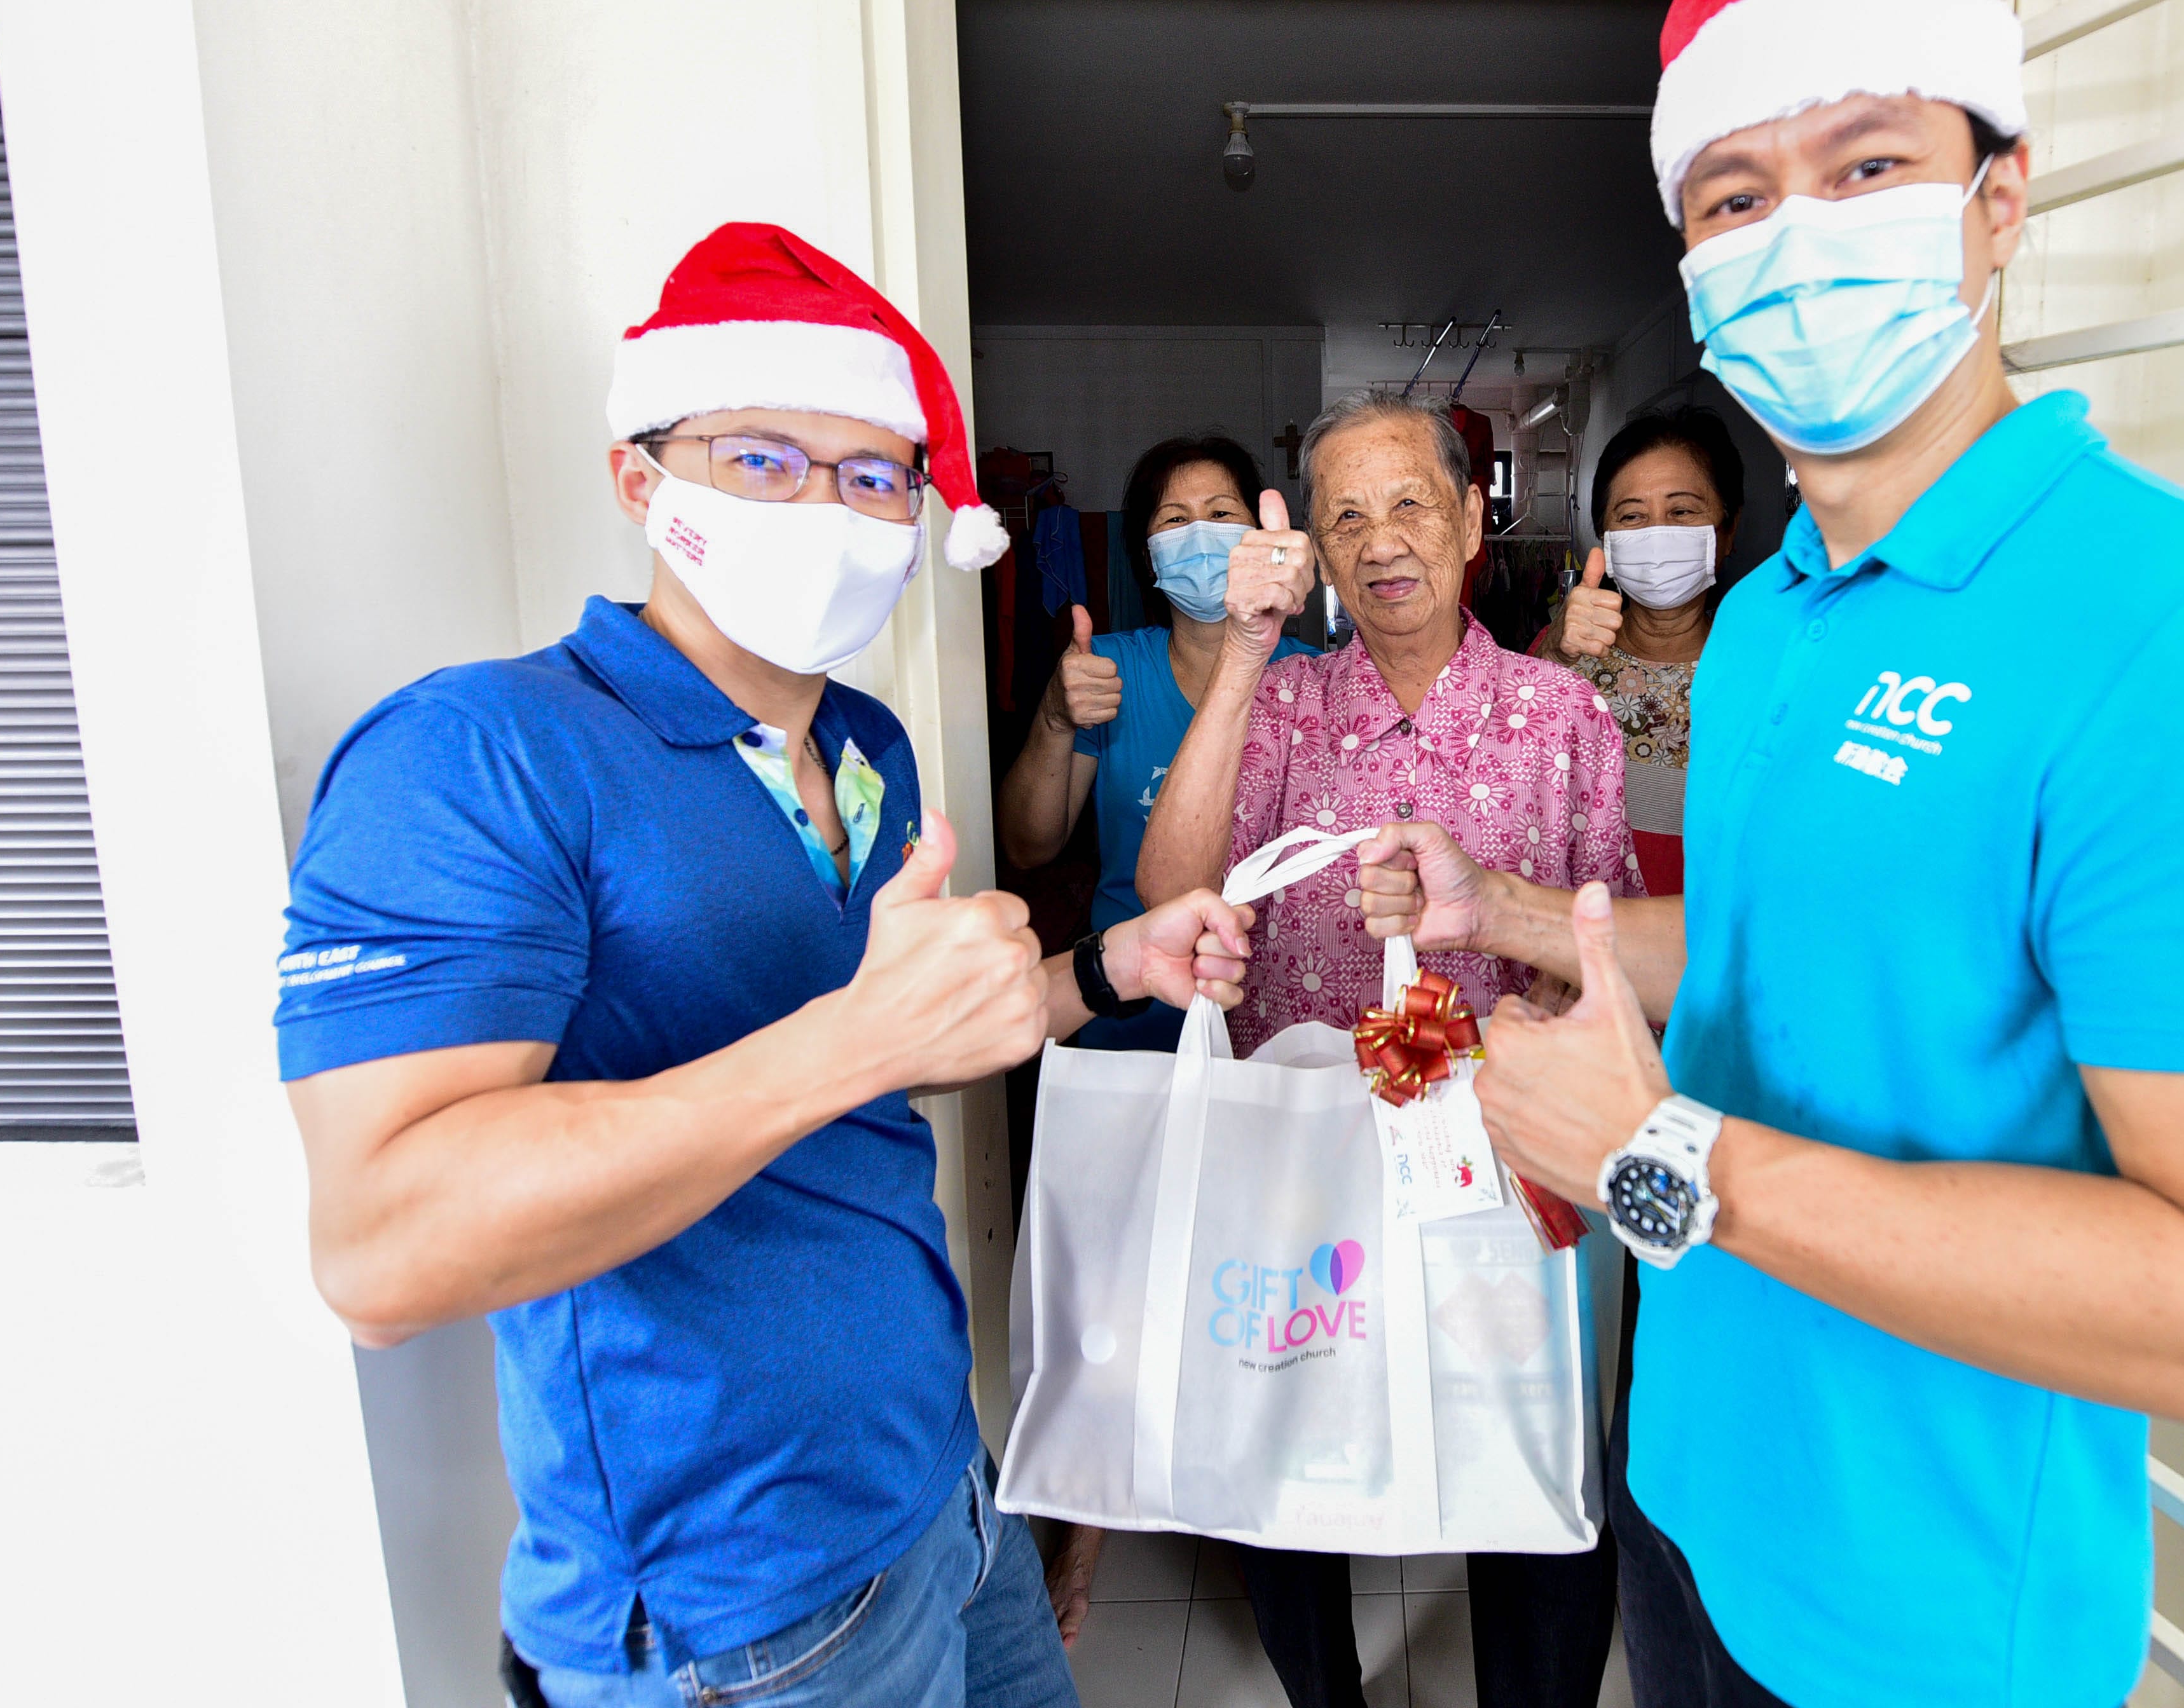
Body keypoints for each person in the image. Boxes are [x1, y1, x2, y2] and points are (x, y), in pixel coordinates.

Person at [1354, 0, 2184, 1708]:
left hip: (1922, 1629)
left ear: (2000, 201)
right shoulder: (1779, 613)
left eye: (1866, 168)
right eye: (1732, 197)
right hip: (1690, 1507)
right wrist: (1505, 913)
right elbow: (1801, 958)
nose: (1795, 236)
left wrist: (1661, 1157)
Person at [271, 222, 1255, 1708]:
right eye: (764, 459)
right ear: (640, 478)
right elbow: (381, 1252)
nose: (830, 509)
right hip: (736, 1617)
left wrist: (1111, 964)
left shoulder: (867, 746)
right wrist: (851, 1042)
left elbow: (915, 1030)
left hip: (942, 1495)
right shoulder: (479, 753)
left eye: (873, 477)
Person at [1133, 385, 1634, 1708]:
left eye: (1411, 500)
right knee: (1294, 1439)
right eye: (1345, 515)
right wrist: (1243, 650)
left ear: (1475, 518)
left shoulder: (1561, 717)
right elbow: (1166, 889)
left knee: (1525, 1461)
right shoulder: (1285, 707)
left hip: (1503, 1163)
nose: (1380, 537)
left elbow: (1610, 955)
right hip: (1305, 1167)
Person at [996, 434, 1315, 1055]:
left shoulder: (1314, 681)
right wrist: (1055, 719)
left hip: (1280, 1022)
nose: (1200, 533)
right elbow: (1028, 847)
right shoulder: (1106, 670)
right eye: (1175, 519)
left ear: (1263, 537)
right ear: (1148, 555)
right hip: (1131, 1013)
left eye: (1222, 513)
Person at [1531, 405, 1745, 893]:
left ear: (1728, 531)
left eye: (1683, 511)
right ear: (1604, 538)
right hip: (1577, 942)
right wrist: (1556, 659)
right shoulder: (1559, 654)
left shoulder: (1758, 670)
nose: (1657, 535)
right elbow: (1506, 787)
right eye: (1632, 516)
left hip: (1703, 950)